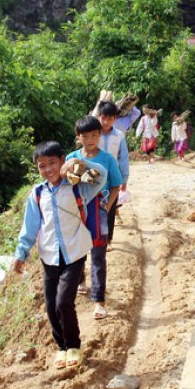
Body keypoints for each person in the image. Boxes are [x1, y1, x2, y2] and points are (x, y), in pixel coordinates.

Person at [12, 141, 107, 370]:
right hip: (49, 256)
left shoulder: (77, 186)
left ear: (62, 161)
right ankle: (62, 347)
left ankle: (74, 345)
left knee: (64, 302)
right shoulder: (37, 194)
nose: (48, 169)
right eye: (41, 166)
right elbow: (30, 226)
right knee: (51, 304)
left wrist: (80, 163)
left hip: (74, 253)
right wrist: (21, 253)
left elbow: (101, 176)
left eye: (52, 163)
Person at [66, 116, 124, 320]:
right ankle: (81, 280)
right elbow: (68, 184)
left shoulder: (107, 159)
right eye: (85, 135)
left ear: (100, 135)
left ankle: (99, 301)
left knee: (98, 256)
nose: (90, 139)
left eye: (94, 135)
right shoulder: (71, 157)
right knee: (77, 253)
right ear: (78, 137)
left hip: (98, 211)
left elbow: (115, 184)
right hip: (77, 212)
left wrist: (107, 207)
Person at [96, 101, 129, 252]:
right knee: (95, 207)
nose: (106, 121)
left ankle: (107, 240)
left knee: (110, 208)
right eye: (103, 118)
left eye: (109, 118)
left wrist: (124, 179)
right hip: (95, 177)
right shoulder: (94, 133)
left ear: (114, 119)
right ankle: (95, 237)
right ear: (99, 117)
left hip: (112, 178)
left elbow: (123, 158)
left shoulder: (119, 136)